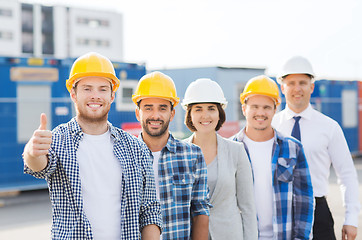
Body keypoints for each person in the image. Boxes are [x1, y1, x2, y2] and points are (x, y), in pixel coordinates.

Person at [22, 52, 162, 239]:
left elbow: (150, 209)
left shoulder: (136, 148)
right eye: (87, 89)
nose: (95, 96)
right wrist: (33, 151)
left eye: (103, 89)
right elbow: (39, 166)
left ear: (112, 95)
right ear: (73, 94)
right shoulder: (58, 140)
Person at [272, 56, 361, 240]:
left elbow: (347, 174)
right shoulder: (271, 126)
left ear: (312, 87)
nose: (297, 88)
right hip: (279, 211)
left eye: (303, 83)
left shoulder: (329, 127)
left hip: (318, 212)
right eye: (291, 83)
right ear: (282, 87)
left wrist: (351, 218)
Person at [233, 75, 314, 240]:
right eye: (254, 106)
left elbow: (304, 199)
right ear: (244, 108)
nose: (261, 113)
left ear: (275, 109)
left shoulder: (293, 148)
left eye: (267, 107)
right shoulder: (230, 149)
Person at [132, 71, 210, 240]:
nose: (155, 115)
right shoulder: (126, 157)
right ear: (138, 113)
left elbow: (200, 211)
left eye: (162, 108)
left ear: (172, 113)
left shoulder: (193, 155)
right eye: (148, 108)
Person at [182, 78, 258, 240]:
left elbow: (248, 208)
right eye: (198, 109)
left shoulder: (236, 151)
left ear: (219, 113)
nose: (205, 115)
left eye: (211, 108)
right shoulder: (178, 152)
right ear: (190, 114)